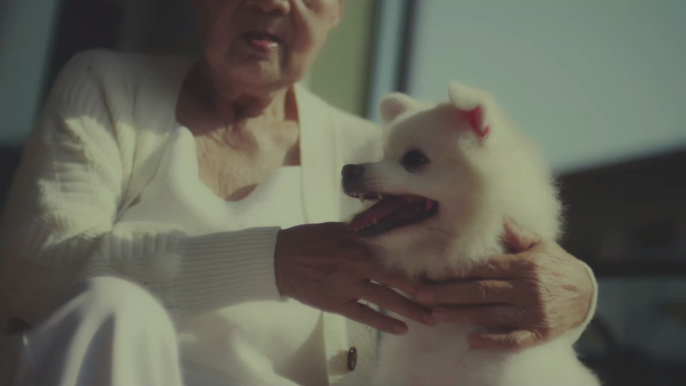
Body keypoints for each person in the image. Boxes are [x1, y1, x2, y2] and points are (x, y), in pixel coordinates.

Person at [0, 0, 597, 385]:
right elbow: (35, 272)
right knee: (115, 307)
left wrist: (580, 295)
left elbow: (477, 270)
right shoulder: (106, 87)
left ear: (337, 12)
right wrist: (271, 262)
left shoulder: (380, 160)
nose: (272, 3)